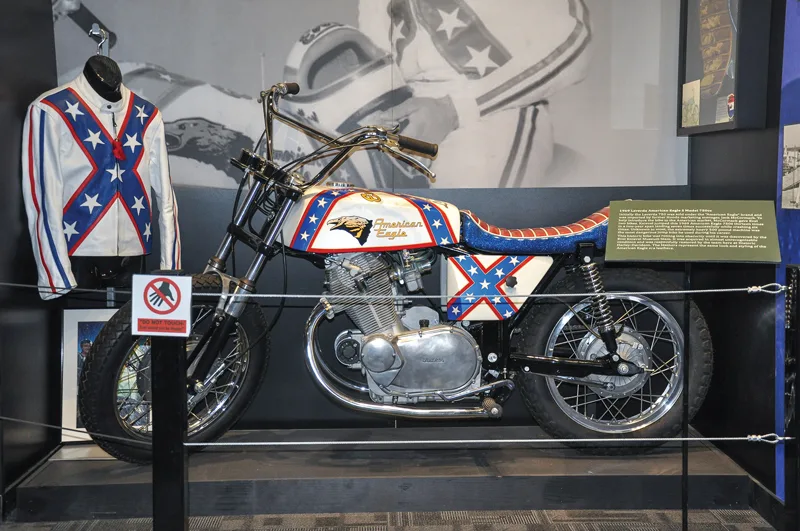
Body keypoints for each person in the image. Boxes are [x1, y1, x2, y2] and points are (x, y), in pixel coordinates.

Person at [356, 0, 592, 187]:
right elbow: (378, 57)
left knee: (462, 227)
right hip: (413, 109)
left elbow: (574, 41)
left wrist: (453, 109)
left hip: (492, 106)